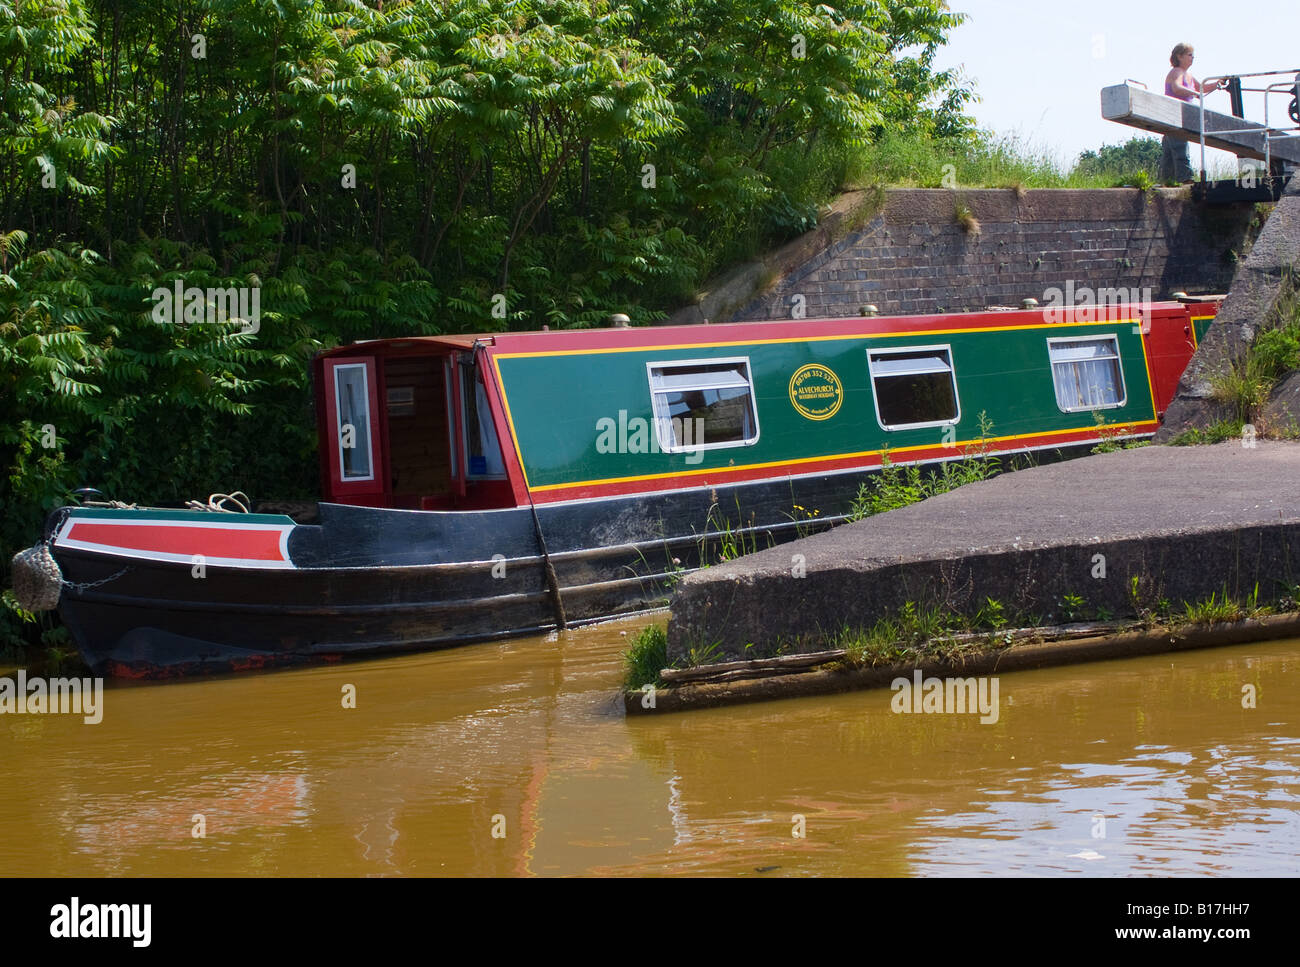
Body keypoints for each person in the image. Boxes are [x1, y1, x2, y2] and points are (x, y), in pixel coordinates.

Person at [1160, 43, 1225, 184]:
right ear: (1179, 56)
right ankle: (1185, 178)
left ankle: (1167, 180)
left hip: (1183, 116)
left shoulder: (1188, 74)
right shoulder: (1176, 72)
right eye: (1189, 55)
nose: (1192, 58)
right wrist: (1194, 93)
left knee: (1169, 151)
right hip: (1174, 115)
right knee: (1179, 146)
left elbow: (1202, 87)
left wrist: (1217, 83)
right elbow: (1176, 88)